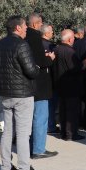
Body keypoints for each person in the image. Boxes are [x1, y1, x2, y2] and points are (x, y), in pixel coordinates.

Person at [0, 16, 45, 170]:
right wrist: (36, 68)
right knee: (22, 134)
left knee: (7, 132)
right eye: (24, 27)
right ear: (17, 28)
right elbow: (30, 70)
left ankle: (6, 169)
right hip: (22, 94)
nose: (26, 29)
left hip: (5, 94)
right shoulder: (22, 44)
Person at [25, 13, 57, 160]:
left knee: (31, 118)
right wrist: (49, 58)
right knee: (40, 117)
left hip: (28, 84)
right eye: (40, 23)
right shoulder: (35, 37)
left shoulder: (24, 37)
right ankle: (39, 149)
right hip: (40, 84)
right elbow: (40, 61)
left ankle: (32, 147)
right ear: (36, 24)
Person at [53, 29, 84, 141]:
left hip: (60, 85)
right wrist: (84, 64)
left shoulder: (56, 49)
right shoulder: (70, 52)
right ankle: (71, 134)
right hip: (71, 85)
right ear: (70, 39)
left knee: (63, 110)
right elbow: (75, 69)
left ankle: (64, 132)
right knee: (72, 111)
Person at [41, 24, 59, 134]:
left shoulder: (37, 44)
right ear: (47, 33)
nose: (53, 33)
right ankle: (51, 126)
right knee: (51, 104)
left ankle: (48, 125)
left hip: (41, 78)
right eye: (51, 31)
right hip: (50, 79)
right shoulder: (51, 46)